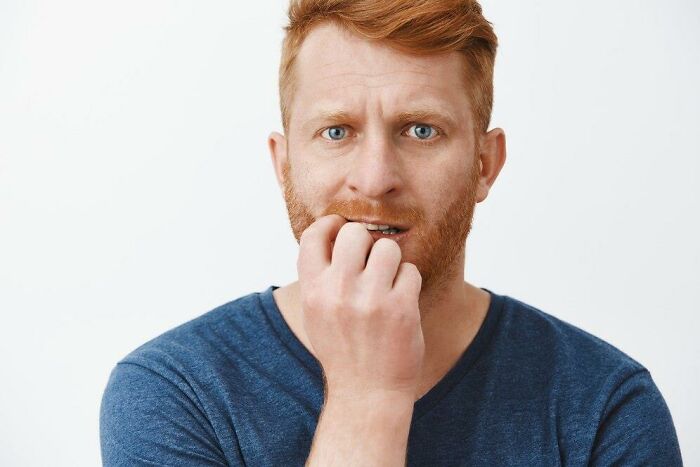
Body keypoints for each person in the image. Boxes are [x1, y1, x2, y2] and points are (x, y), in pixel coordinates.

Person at [100, 0, 683, 465]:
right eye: (336, 132)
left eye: (421, 130)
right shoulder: (173, 393)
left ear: (486, 164)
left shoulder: (605, 406)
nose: (375, 179)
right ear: (283, 166)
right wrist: (364, 396)